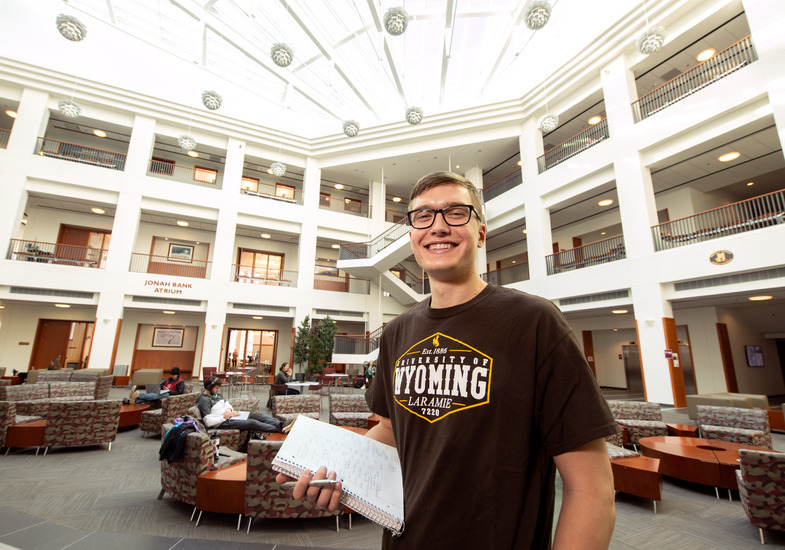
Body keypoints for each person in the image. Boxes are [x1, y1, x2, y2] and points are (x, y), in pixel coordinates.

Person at [278, 171, 619, 549]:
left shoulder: (534, 322)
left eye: (455, 213)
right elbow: (393, 431)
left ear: (481, 232)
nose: (437, 227)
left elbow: (592, 488)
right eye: (423, 216)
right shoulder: (398, 332)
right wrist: (337, 467)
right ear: (412, 235)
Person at [196, 376, 288, 433]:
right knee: (252, 423)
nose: (218, 390)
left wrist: (229, 411)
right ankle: (280, 430)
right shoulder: (204, 401)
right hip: (222, 422)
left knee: (259, 415)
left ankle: (281, 424)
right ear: (208, 387)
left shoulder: (216, 395)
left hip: (230, 416)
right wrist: (225, 417)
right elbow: (208, 422)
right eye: (216, 388)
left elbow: (227, 404)